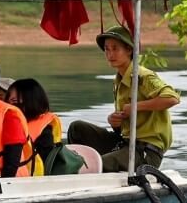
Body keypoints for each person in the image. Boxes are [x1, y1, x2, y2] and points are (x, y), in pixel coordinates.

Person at [68, 25, 180, 172]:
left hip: (146, 152)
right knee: (77, 128)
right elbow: (123, 127)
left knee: (98, 165)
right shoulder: (119, 80)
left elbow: (172, 98)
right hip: (125, 143)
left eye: (115, 48)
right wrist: (114, 121)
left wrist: (135, 106)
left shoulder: (142, 75)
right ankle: (74, 167)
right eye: (107, 49)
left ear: (128, 50)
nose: (110, 54)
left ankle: (88, 170)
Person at [7, 78, 60, 176]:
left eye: (14, 101)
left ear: (31, 101)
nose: (9, 106)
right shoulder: (7, 123)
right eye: (7, 101)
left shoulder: (45, 133)